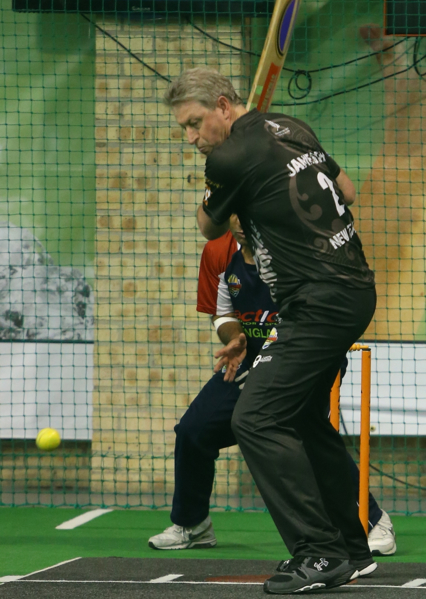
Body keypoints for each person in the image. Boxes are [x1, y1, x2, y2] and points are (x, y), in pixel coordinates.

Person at [164, 68, 379, 594]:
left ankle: (319, 551)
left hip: (318, 304)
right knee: (301, 417)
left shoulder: (228, 158)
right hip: (351, 289)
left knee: (255, 418)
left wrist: (225, 190)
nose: (191, 138)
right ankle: (352, 548)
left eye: (194, 124)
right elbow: (347, 191)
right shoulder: (290, 126)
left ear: (222, 105)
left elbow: (209, 227)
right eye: (184, 129)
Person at [149, 215, 396, 559]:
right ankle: (193, 524)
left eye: (246, 210)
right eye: (233, 212)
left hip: (308, 356)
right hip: (249, 360)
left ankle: (372, 521)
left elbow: (318, 309)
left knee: (306, 435)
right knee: (194, 431)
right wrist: (235, 336)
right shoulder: (219, 253)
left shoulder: (294, 246)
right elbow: (222, 314)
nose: (239, 221)